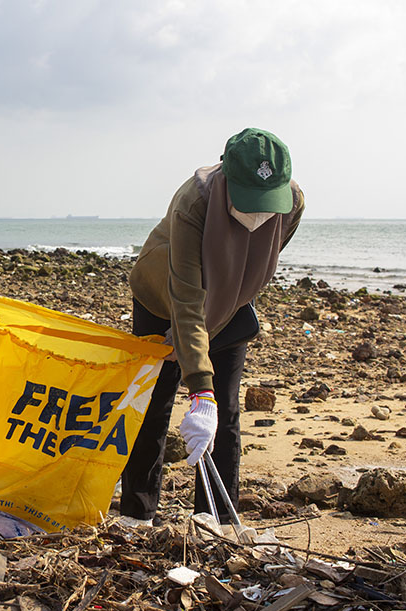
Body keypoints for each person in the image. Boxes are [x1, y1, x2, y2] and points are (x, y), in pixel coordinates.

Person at [121, 128, 305, 527]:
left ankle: (216, 517)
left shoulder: (293, 203)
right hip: (163, 292)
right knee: (155, 402)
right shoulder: (195, 201)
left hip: (229, 300)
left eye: (267, 204)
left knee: (227, 406)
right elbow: (186, 300)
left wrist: (210, 393)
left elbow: (261, 259)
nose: (259, 214)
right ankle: (137, 513)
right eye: (249, 202)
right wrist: (198, 388)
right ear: (226, 180)